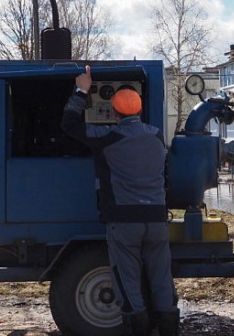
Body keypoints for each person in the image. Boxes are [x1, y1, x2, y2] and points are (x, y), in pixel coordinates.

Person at [62, 65, 179, 336]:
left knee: (128, 282)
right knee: (162, 279)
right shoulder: (156, 135)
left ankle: (137, 329)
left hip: (124, 223)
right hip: (156, 220)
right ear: (139, 110)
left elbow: (69, 124)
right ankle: (170, 330)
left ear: (114, 113)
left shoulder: (107, 137)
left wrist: (82, 91)